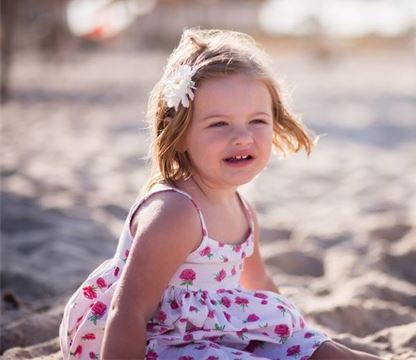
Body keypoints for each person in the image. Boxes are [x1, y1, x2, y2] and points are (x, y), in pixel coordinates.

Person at [59, 28, 380, 360]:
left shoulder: (243, 211)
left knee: (331, 354)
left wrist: (304, 337)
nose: (242, 137)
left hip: (219, 331)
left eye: (257, 120)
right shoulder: (174, 213)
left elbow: (261, 284)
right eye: (219, 124)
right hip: (158, 341)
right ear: (180, 134)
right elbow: (128, 312)